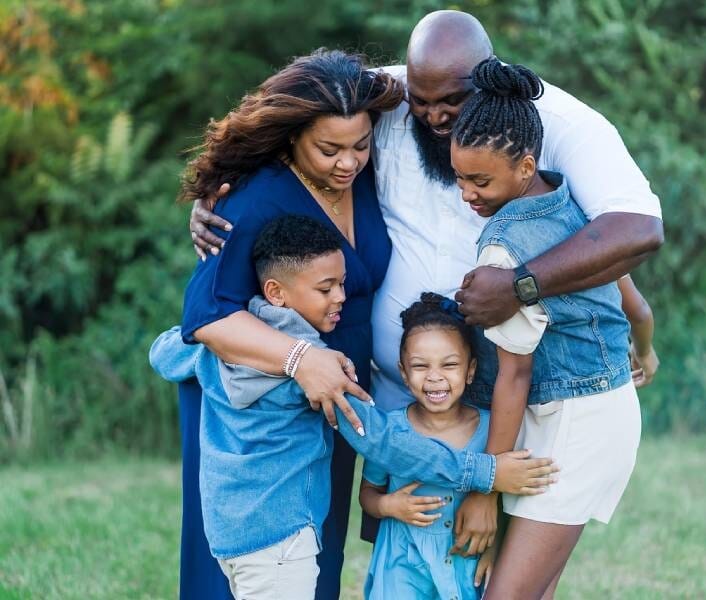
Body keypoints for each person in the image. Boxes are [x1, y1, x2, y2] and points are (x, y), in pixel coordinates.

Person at [189, 8, 664, 589]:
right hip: (413, 405)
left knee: (498, 582)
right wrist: (221, 184)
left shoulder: (553, 134)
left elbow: (635, 238)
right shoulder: (390, 100)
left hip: (529, 403)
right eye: (423, 103)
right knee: (438, 570)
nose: (435, 117)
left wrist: (523, 289)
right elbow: (301, 109)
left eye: (451, 105)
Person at [150, 216, 553, 600]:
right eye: (326, 288)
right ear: (277, 293)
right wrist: (488, 471)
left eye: (342, 283)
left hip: (229, 532)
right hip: (283, 536)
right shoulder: (317, 371)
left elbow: (164, 354)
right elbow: (382, 442)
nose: (341, 296)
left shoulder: (221, 345)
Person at [175, 49, 407, 600]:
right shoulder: (252, 200)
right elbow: (205, 318)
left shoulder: (366, 182)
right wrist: (302, 360)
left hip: (332, 396)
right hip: (258, 412)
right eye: (329, 149)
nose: (348, 163)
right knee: (251, 559)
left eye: (360, 145)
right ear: (290, 138)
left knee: (314, 558)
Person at [449, 56, 646, 598]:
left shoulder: (503, 249)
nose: (467, 193)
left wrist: (485, 489)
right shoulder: (565, 199)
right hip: (595, 412)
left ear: (525, 164)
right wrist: (642, 341)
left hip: (574, 428)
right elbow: (625, 293)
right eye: (460, 177)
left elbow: (515, 376)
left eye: (480, 180)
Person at [360, 293, 526, 599]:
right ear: (404, 374)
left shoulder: (494, 430)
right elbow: (368, 494)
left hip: (467, 561)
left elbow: (508, 504)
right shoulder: (391, 431)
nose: (435, 377)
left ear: (471, 370)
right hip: (402, 564)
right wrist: (387, 505)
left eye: (449, 365)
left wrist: (496, 550)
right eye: (421, 366)